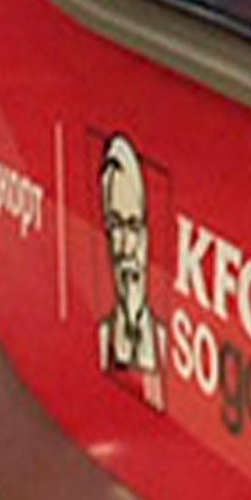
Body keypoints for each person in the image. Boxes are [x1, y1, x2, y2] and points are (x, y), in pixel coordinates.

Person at [98, 133, 166, 408]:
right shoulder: (103, 336)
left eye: (133, 226)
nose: (125, 247)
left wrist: (136, 318)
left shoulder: (163, 342)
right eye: (115, 225)